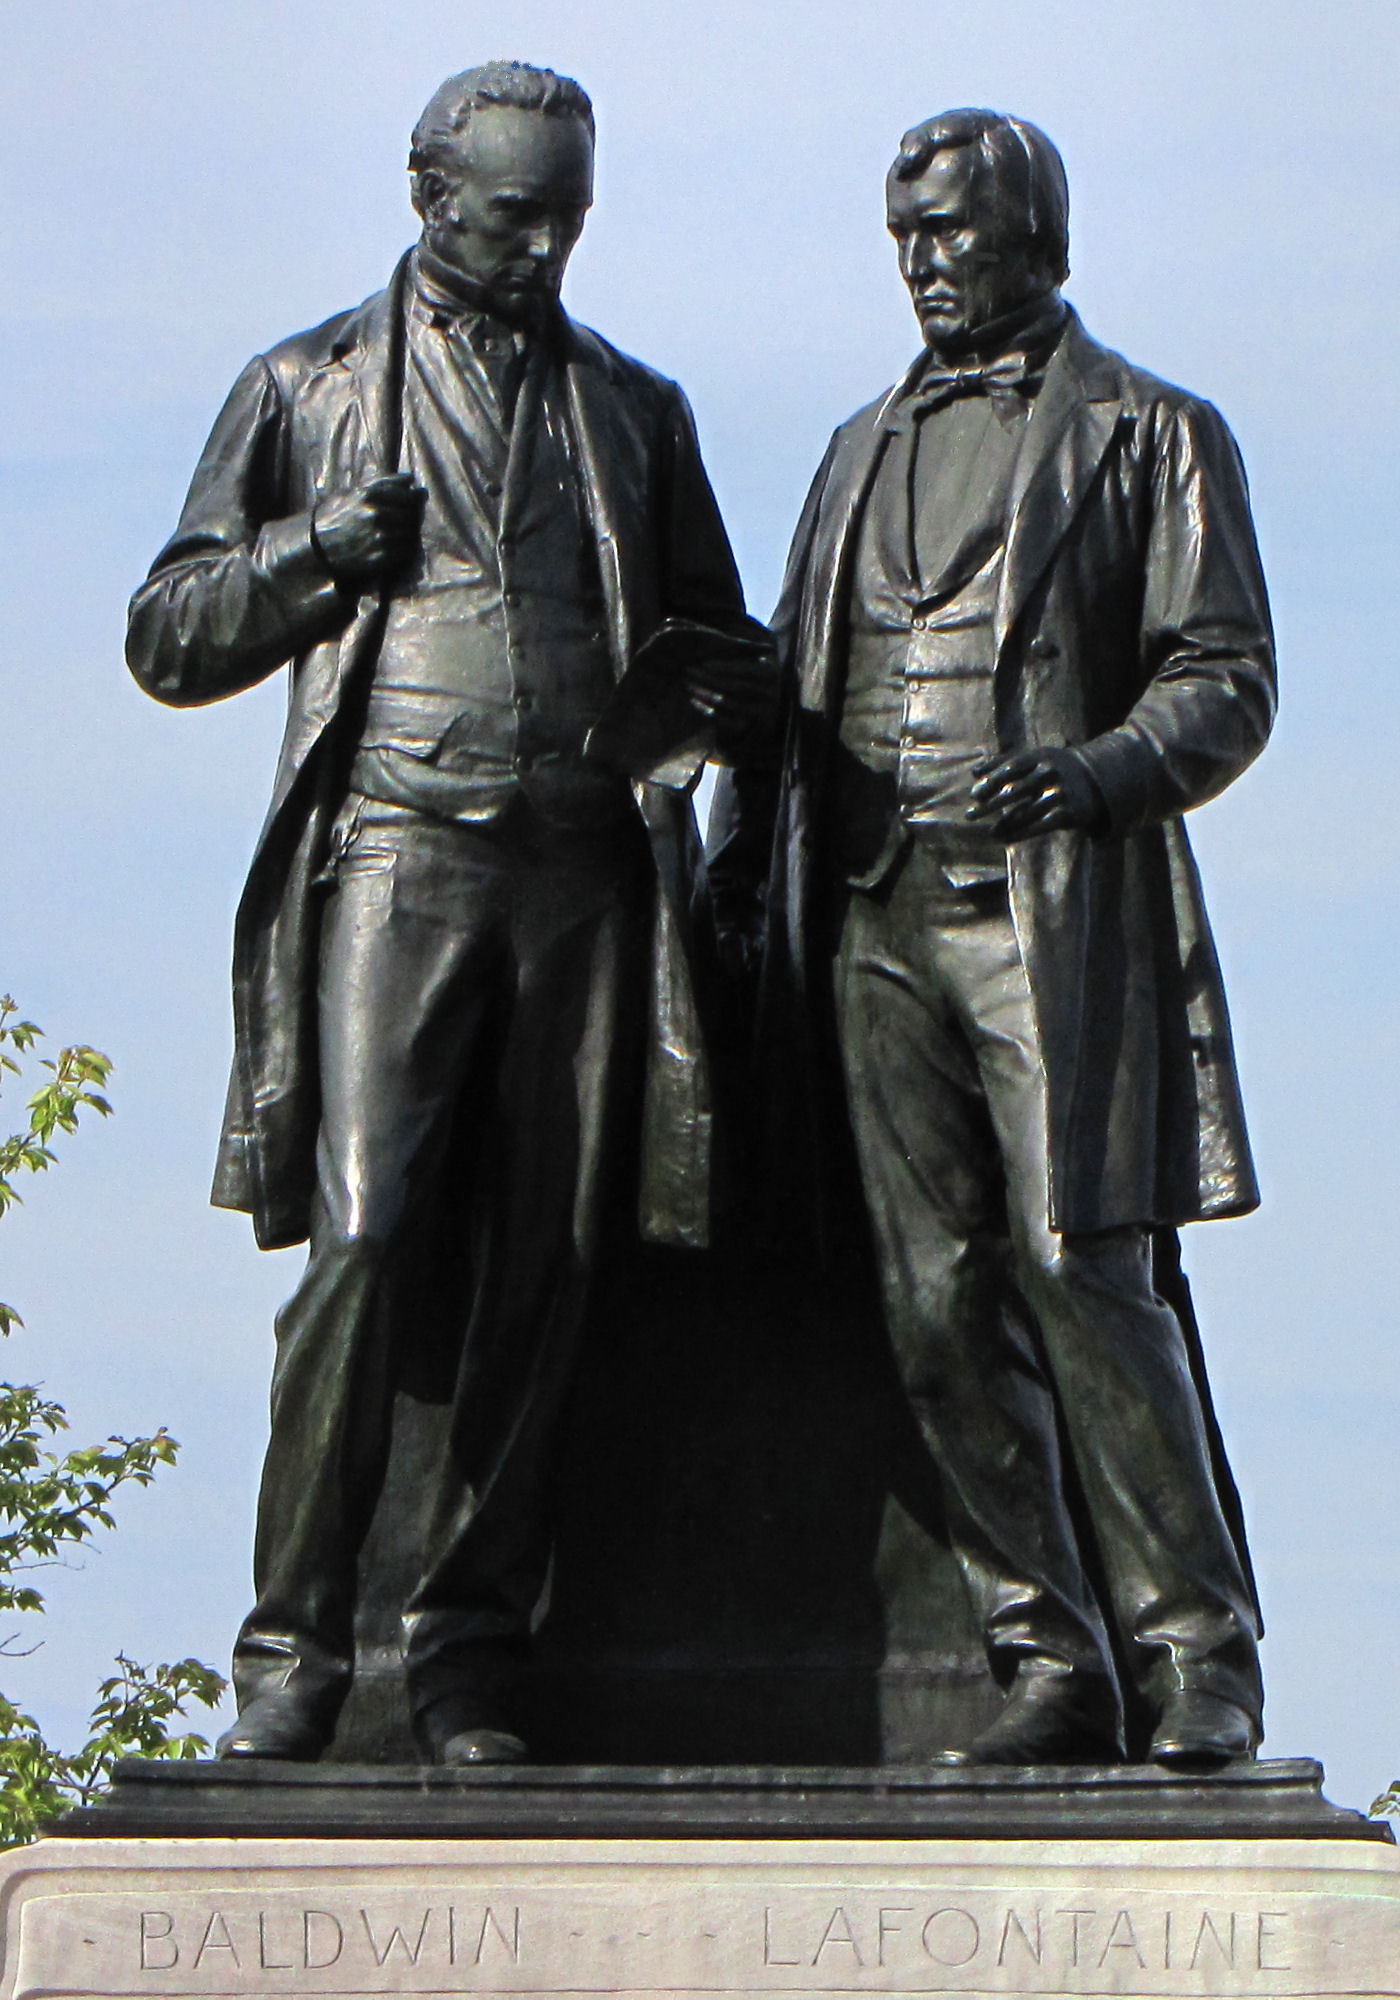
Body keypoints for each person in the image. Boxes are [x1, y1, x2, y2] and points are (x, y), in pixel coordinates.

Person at [128, 61, 768, 1765]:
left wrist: (697, 710)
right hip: (398, 857)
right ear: (430, 197)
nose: (549, 248)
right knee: (363, 1233)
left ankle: (467, 1655)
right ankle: (293, 1652)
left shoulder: (635, 409)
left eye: (572, 216)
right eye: (516, 216)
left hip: (578, 879)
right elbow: (169, 630)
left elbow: (722, 643)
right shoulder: (306, 383)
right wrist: (314, 556)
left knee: (544, 1265)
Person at [709, 108, 1273, 1766]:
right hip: (869, 920)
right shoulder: (853, 448)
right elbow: (809, 676)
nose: (927, 269)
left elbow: (1224, 676)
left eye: (952, 235)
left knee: (1086, 1272)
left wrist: (1096, 773)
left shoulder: (1150, 431)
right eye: (905, 242)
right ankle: (1047, 1648)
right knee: (929, 1300)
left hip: (1042, 916)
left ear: (1039, 237)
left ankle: (1198, 1654)